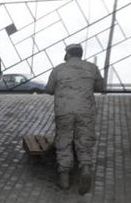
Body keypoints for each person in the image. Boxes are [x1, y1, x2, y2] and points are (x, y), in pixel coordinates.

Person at [45, 43, 106, 194]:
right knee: (84, 140)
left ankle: (64, 178)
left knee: (64, 140)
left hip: (64, 111)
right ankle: (85, 167)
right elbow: (101, 87)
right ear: (81, 53)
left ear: (68, 54)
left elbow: (49, 89)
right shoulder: (92, 68)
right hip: (85, 110)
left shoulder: (59, 69)